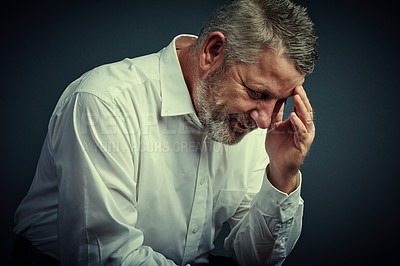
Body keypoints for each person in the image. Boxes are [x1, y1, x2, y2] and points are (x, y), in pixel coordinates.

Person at [12, 0, 318, 265]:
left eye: (281, 100)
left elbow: (256, 258)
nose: (265, 120)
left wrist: (281, 176)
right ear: (212, 51)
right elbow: (103, 256)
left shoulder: (248, 123)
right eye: (256, 92)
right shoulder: (104, 102)